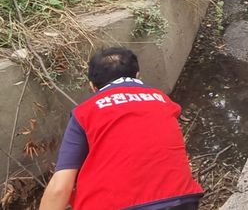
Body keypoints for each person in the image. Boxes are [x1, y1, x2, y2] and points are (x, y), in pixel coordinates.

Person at [40, 47, 203, 210]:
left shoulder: (85, 113)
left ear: (92, 86)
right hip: (182, 200)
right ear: (138, 76)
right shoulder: (164, 101)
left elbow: (60, 187)